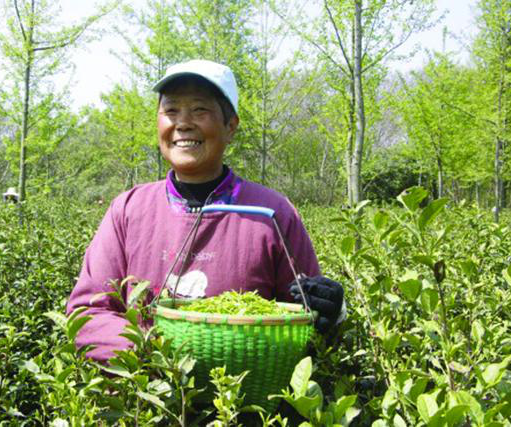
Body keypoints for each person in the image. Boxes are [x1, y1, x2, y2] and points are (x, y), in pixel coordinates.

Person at [66, 59, 345, 363]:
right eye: (171, 110)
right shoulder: (128, 210)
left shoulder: (272, 213)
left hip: (240, 402)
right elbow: (88, 313)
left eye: (200, 110)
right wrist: (154, 355)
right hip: (142, 400)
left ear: (231, 126)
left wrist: (331, 312)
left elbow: (303, 321)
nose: (182, 123)